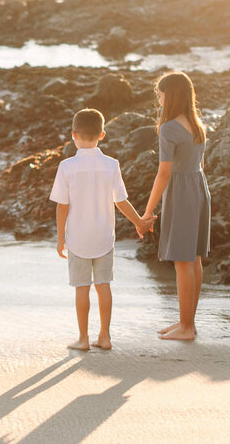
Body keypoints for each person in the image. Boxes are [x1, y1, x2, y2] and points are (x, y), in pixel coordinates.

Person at [50, 108, 156, 351]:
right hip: (104, 238)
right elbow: (121, 201)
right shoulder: (111, 164)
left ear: (73, 135)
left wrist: (60, 238)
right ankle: (105, 336)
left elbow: (61, 207)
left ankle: (83, 338)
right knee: (104, 285)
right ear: (102, 135)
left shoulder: (66, 167)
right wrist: (139, 221)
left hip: (77, 238)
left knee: (81, 288)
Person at [142, 72, 211, 341]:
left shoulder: (169, 128)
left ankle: (186, 327)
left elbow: (164, 174)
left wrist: (148, 212)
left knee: (182, 261)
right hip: (198, 187)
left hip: (182, 192)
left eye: (160, 93)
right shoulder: (196, 124)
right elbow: (200, 164)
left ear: (170, 96)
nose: (158, 98)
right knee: (193, 259)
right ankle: (187, 323)